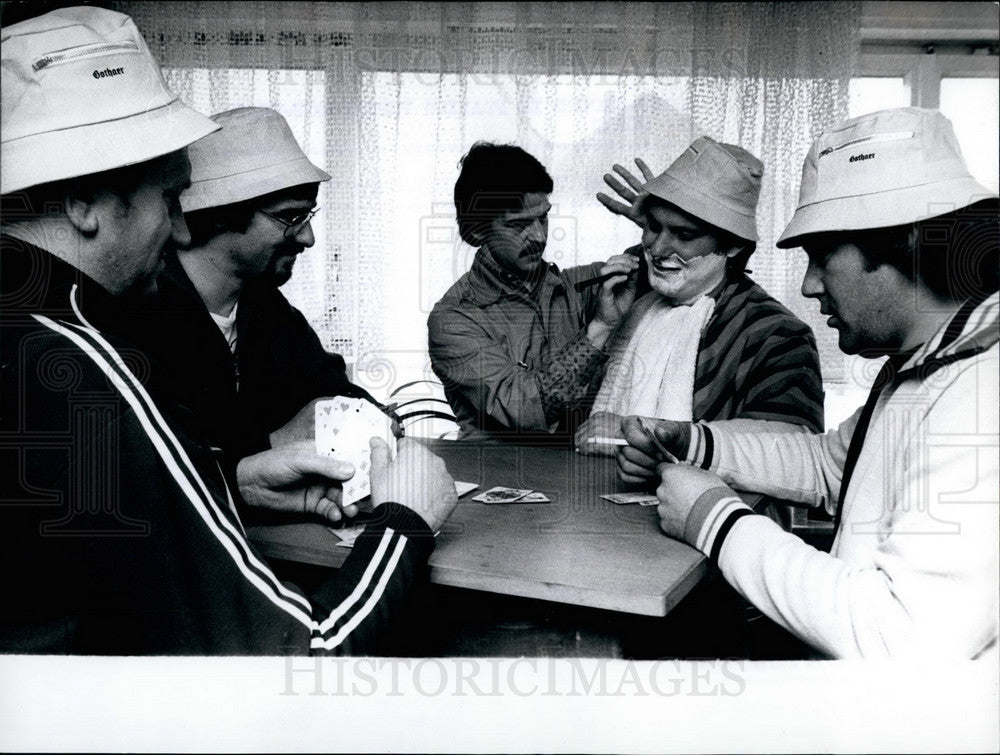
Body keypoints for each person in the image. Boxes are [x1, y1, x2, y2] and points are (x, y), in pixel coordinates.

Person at [1, 6, 457, 654]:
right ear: (83, 202)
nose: (175, 225)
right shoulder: (78, 363)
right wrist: (406, 518)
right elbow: (302, 662)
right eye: (168, 198)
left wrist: (234, 481)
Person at [619, 107, 999, 659]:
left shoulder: (983, 390)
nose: (809, 284)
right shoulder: (925, 365)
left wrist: (714, 519)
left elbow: (903, 636)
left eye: (822, 257)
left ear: (902, 246)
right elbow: (826, 465)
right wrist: (695, 442)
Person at [131, 106, 385, 468]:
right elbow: (153, 465)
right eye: (291, 217)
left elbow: (333, 392)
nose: (308, 238)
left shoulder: (271, 311)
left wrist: (372, 416)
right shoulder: (138, 318)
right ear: (221, 214)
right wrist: (275, 441)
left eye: (308, 216)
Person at [575, 137, 824, 456]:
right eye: (652, 227)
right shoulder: (624, 295)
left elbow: (790, 453)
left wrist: (640, 432)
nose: (658, 249)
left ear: (733, 246)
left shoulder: (777, 336)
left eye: (685, 235)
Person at [427, 141, 640, 442]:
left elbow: (675, 267)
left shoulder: (588, 286)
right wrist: (600, 329)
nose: (539, 236)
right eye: (519, 225)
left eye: (543, 217)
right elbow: (526, 410)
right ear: (477, 231)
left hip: (581, 474)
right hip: (496, 480)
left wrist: (656, 221)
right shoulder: (454, 319)